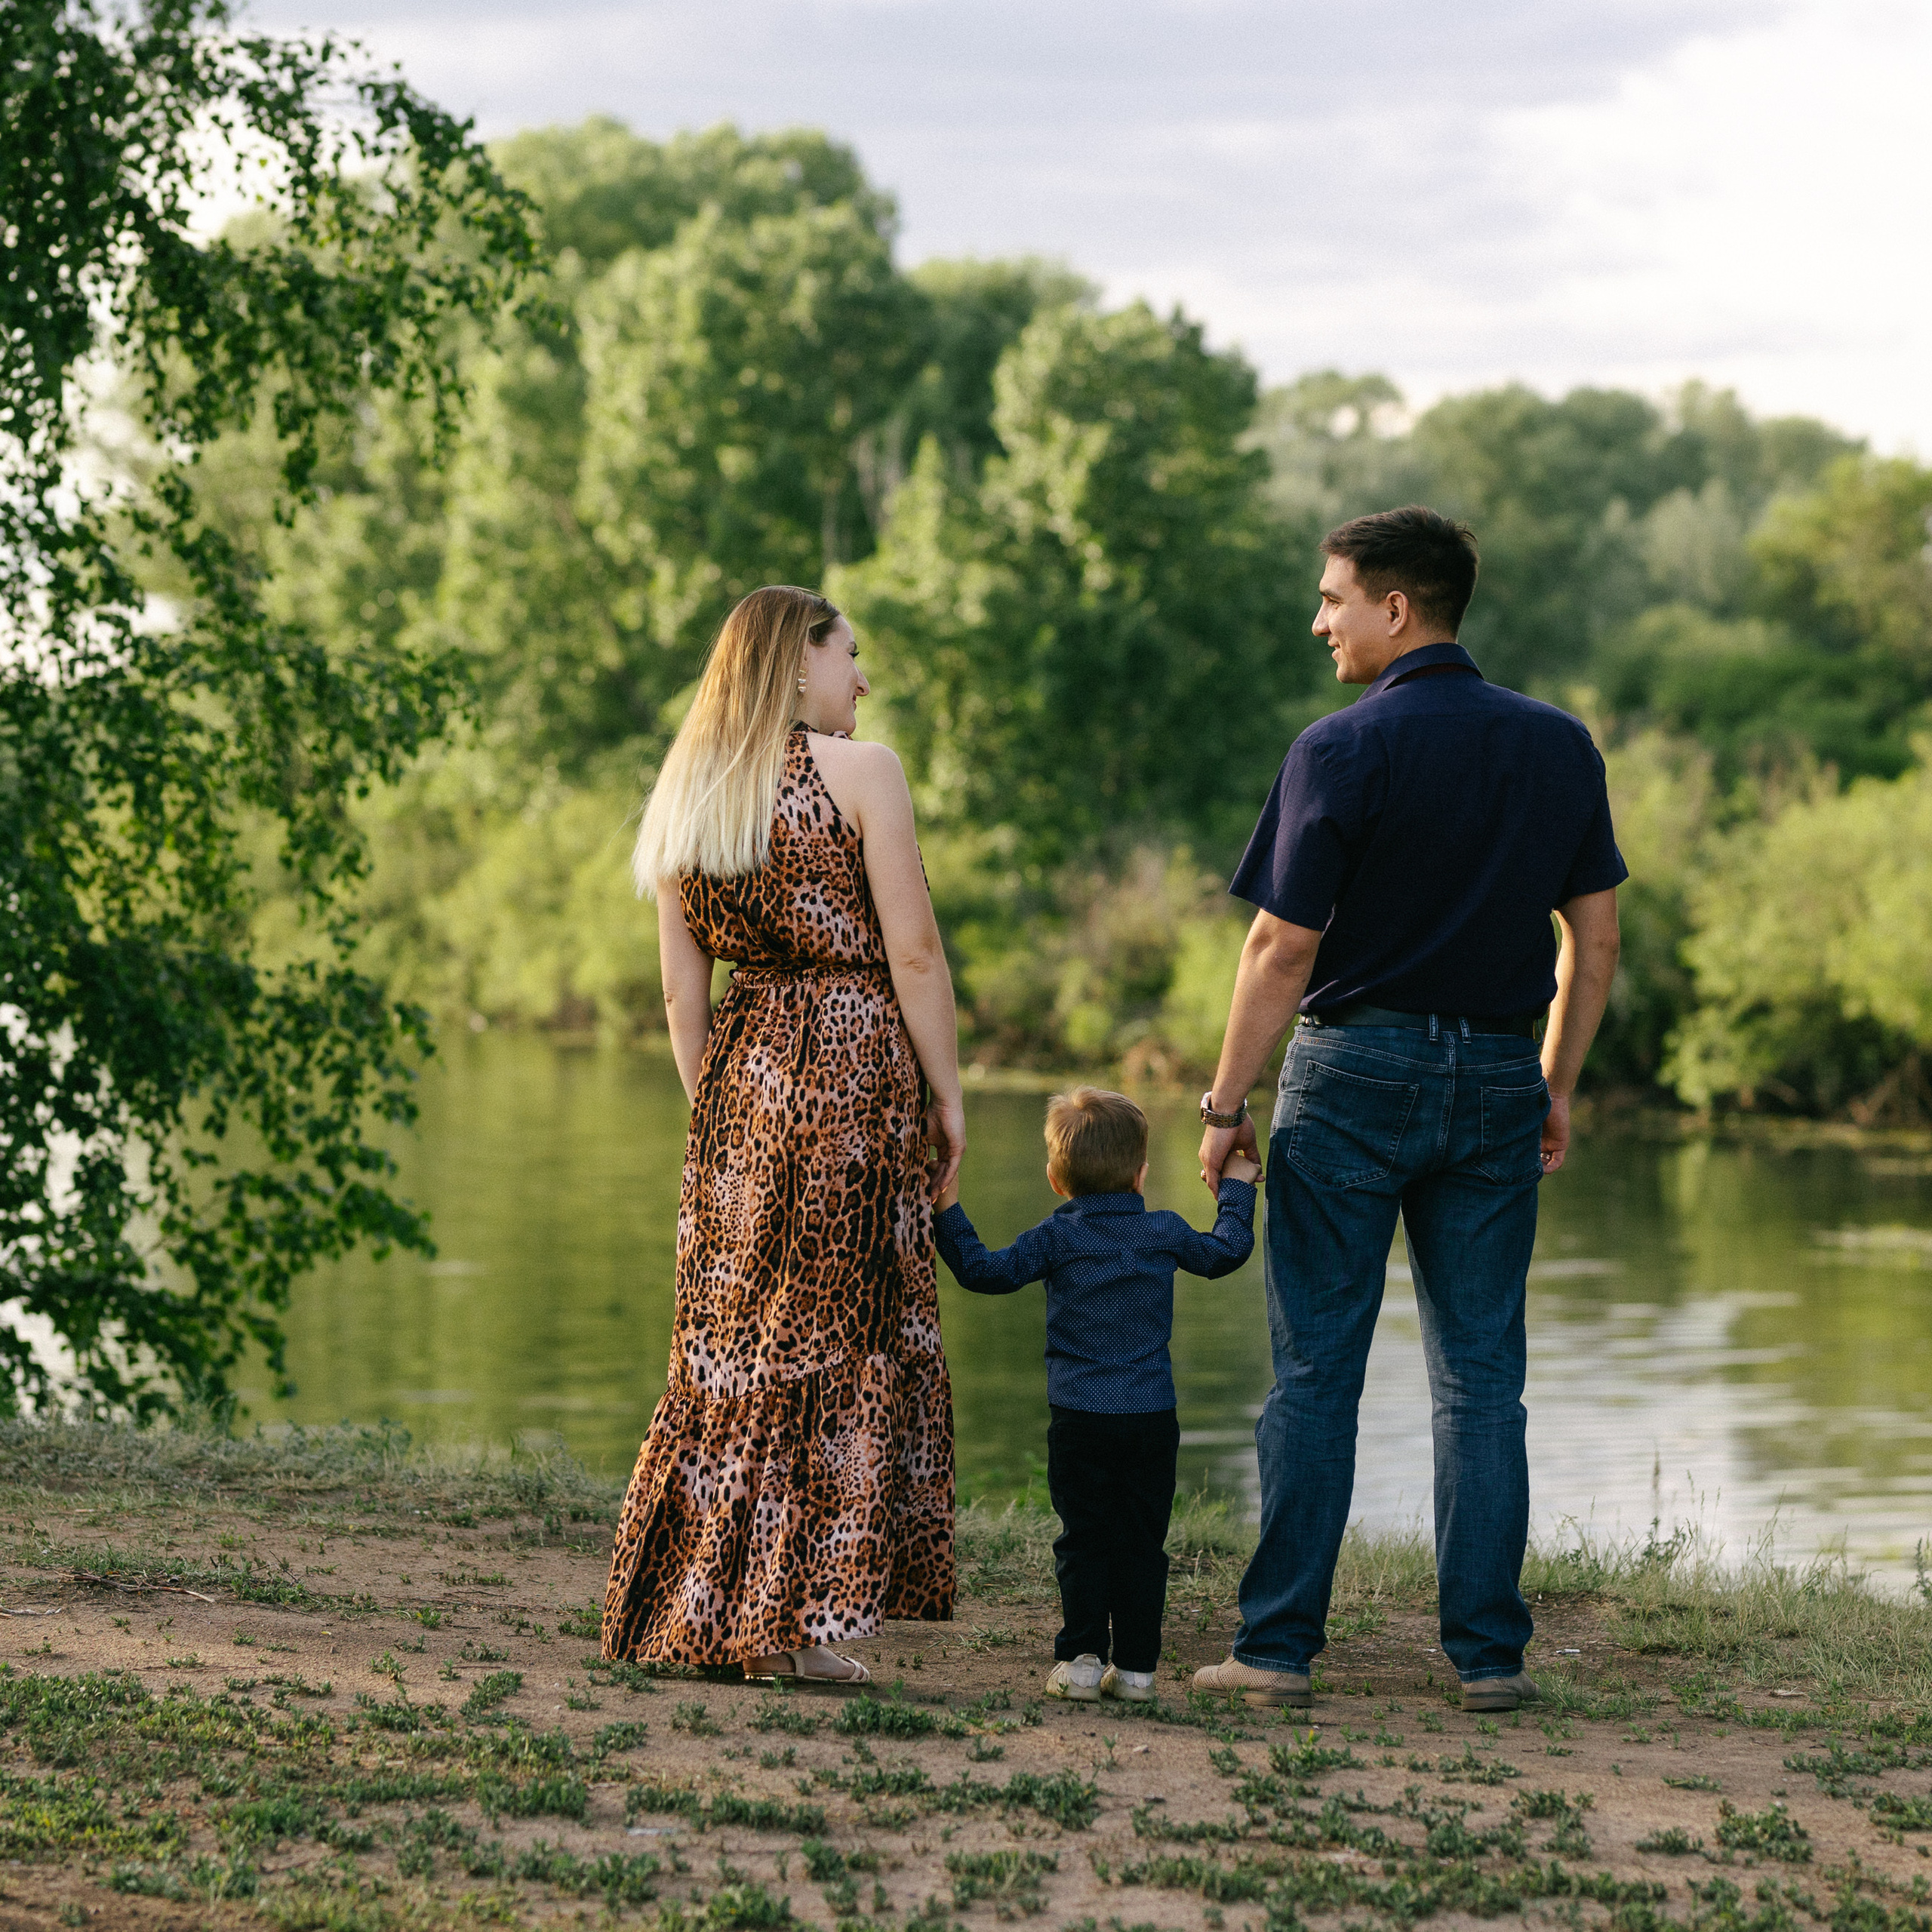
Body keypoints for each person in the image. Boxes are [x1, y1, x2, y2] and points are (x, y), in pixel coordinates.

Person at [1192, 506, 1625, 1715]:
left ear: (1397, 608)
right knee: (1482, 1378)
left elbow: (1281, 947)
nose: (1318, 618)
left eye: (1334, 598)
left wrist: (1225, 1102)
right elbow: (1594, 944)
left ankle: (1276, 1651)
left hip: (1351, 1075)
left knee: (1316, 1372)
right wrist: (1556, 1085)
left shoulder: (1336, 750)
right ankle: (1489, 1658)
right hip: (1496, 1077)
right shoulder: (1560, 748)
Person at [601, 584, 964, 1684]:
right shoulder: (866, 773)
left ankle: (706, 1612)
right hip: (853, 1080)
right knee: (835, 1345)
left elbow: (678, 997)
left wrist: (723, 1110)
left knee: (733, 1346)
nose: (862, 680)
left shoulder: (689, 790)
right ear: (795, 664)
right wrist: (948, 1097)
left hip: (740, 1087)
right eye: (850, 656)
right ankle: (791, 1628)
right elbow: (914, 956)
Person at [933, 1087, 1260, 1702]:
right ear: (1140, 1174)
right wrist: (1238, 1186)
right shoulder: (1162, 1230)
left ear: (1057, 1179)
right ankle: (1136, 1670)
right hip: (1150, 1421)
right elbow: (1226, 1252)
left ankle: (1082, 1660)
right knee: (1141, 1543)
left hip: (1079, 1421)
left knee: (1083, 1539)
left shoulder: (1056, 1239)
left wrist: (946, 1206)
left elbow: (983, 1271)